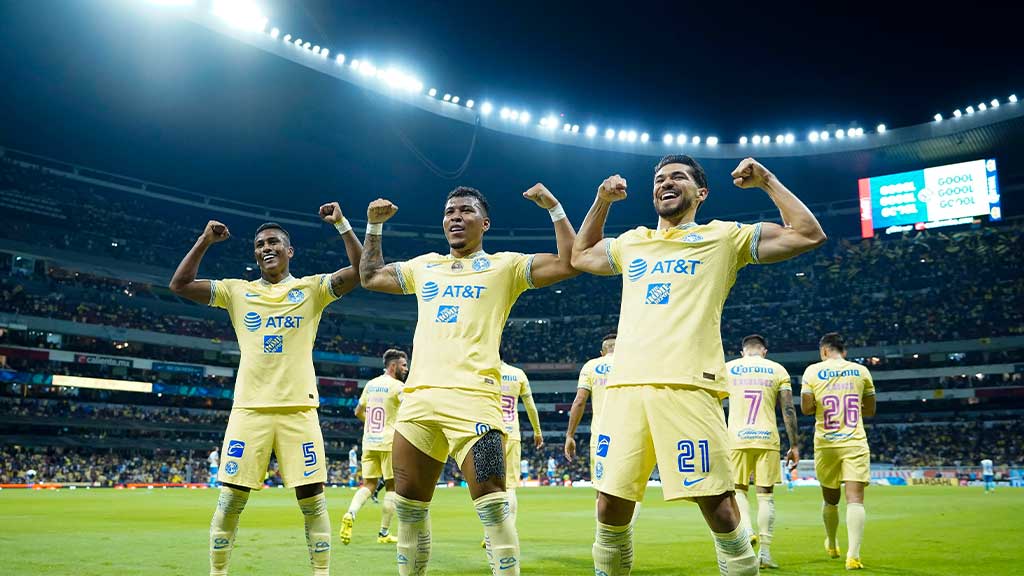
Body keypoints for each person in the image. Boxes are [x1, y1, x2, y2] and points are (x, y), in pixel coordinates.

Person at [570, 155, 827, 575]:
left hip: (689, 385)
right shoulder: (632, 240)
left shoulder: (723, 238)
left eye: (679, 177)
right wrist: (602, 201)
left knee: (720, 507)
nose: (666, 183)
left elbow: (808, 234)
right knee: (609, 505)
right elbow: (580, 255)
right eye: (660, 179)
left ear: (700, 192)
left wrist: (766, 181)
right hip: (623, 388)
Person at [358, 183, 578, 575]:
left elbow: (568, 262)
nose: (455, 217)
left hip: (477, 399)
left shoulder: (505, 266)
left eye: (465, 211)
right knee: (408, 507)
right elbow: (371, 276)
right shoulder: (424, 265)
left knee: (493, 504)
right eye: (449, 212)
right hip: (419, 402)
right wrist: (373, 227)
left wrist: (554, 207)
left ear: (485, 222)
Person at [168, 202, 362, 576]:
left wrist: (341, 224)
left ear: (290, 251)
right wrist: (205, 241)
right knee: (229, 502)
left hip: (298, 410)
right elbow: (179, 285)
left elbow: (359, 269)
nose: (266, 248)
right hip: (249, 410)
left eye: (274, 242)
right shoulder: (236, 291)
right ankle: (218, 573)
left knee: (313, 502)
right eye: (259, 245)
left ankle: (320, 573)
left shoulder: (312, 289)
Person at [801, 332, 876, 571]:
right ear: (844, 351)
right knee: (855, 500)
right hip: (854, 440)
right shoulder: (861, 371)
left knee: (830, 499)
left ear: (824, 351)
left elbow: (805, 408)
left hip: (826, 442)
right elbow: (871, 410)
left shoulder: (812, 371)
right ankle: (853, 556)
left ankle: (832, 543)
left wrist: (818, 403)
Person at [725, 334, 799, 569]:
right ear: (764, 351)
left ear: (742, 352)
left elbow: (712, 401)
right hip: (767, 438)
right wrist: (794, 444)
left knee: (738, 490)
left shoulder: (729, 368)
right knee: (765, 495)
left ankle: (747, 529)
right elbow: (788, 409)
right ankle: (765, 553)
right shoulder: (777, 370)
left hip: (736, 438)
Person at [566, 333, 641, 522]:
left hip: (602, 437)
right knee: (631, 488)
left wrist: (570, 435)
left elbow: (580, 401)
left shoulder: (591, 366)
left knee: (601, 489)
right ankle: (626, 532)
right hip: (630, 435)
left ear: (602, 352)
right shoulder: (634, 363)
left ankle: (603, 537)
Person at [340, 348, 408, 545]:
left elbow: (358, 411)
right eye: (403, 365)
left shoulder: (370, 385)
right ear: (393, 366)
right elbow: (409, 410)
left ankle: (350, 514)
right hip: (389, 443)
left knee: (369, 484)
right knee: (392, 487)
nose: (406, 369)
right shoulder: (398, 387)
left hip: (369, 441)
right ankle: (383, 533)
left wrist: (370, 426)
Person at [480, 361, 543, 547]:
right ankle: (509, 532)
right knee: (510, 487)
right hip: (512, 434)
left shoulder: (483, 371)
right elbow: (530, 406)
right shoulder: (518, 374)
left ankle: (489, 534)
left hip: (488, 433)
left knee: (488, 487)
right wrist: (537, 431)